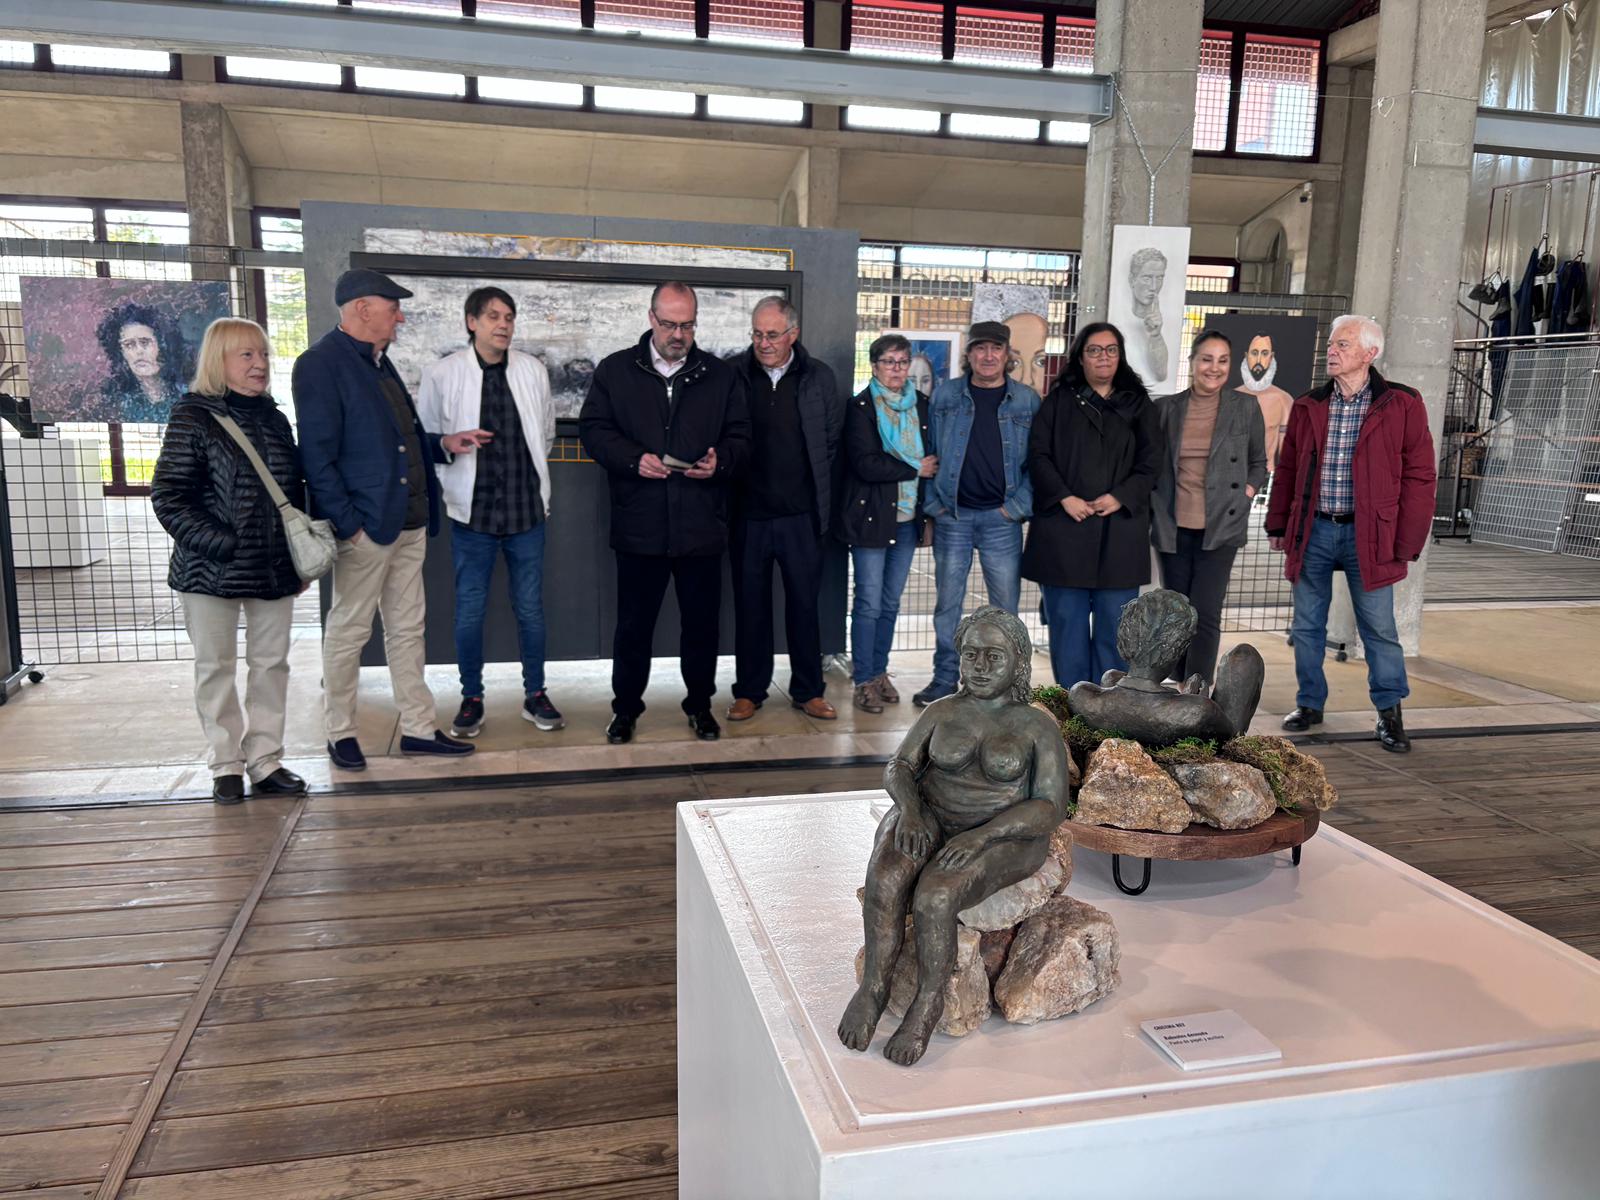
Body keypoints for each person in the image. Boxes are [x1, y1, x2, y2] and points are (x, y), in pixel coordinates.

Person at [838, 606, 1070, 1067]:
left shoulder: (1037, 726)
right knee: (885, 880)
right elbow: (899, 766)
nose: (980, 666)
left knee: (935, 897)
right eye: (970, 654)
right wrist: (911, 810)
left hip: (1003, 836)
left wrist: (982, 837)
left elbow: (1049, 807)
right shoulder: (942, 710)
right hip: (927, 815)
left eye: (994, 657)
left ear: (1019, 662)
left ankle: (927, 1002)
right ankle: (874, 987)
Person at [296, 268, 488, 771]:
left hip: (409, 522)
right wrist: (349, 525)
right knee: (349, 632)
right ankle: (340, 732)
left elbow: (395, 441)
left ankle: (419, 730)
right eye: (392, 307)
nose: (400, 317)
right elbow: (317, 458)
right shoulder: (320, 365)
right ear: (363, 309)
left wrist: (442, 444)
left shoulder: (380, 362)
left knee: (407, 630)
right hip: (367, 529)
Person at [578, 281, 751, 744]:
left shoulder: (720, 375)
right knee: (633, 628)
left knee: (702, 627)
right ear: (651, 318)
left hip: (701, 523)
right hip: (640, 523)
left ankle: (700, 706)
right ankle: (625, 710)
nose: (679, 334)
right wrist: (632, 459)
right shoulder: (616, 370)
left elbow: (742, 436)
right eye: (671, 324)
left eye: (688, 325)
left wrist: (721, 462)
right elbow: (593, 430)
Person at [151, 318, 307, 803]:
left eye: (263, 354)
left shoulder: (275, 419)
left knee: (271, 666)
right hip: (208, 570)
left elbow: (293, 492)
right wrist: (222, 544)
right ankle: (225, 765)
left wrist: (295, 558)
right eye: (247, 355)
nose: (260, 364)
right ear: (219, 360)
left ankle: (265, 761)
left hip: (272, 568)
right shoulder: (193, 417)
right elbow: (169, 496)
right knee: (215, 667)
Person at [1266, 314, 1437, 753]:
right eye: (1332, 344)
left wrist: (1408, 540)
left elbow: (1420, 475)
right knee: (1307, 625)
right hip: (1315, 530)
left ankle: (1389, 714)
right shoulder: (1309, 404)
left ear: (1369, 353)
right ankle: (1309, 704)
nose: (1332, 351)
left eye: (1343, 344)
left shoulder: (1402, 403)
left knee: (1378, 628)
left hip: (1371, 535)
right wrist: (1278, 522)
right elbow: (1288, 468)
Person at [417, 286, 562, 739]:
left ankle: (535, 694)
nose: (504, 325)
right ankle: (471, 698)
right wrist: (449, 450)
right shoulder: (443, 373)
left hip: (526, 511)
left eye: (509, 317)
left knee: (531, 609)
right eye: (494, 316)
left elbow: (547, 433)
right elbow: (427, 438)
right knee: (469, 611)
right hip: (472, 515)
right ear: (472, 322)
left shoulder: (532, 370)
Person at [1021, 322, 1160, 690]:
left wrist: (1121, 496)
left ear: (1120, 356)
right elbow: (1038, 455)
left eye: (1111, 350)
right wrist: (1064, 497)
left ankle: (1109, 704)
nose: (1103, 357)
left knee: (1116, 630)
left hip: (1119, 535)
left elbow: (1151, 463)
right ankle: (1073, 702)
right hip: (1064, 533)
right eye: (1094, 350)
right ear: (1080, 358)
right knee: (1066, 626)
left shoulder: (1138, 404)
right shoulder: (1058, 402)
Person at [726, 296, 844, 723]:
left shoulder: (818, 377)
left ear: (793, 334)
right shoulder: (734, 374)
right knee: (750, 609)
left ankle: (808, 691)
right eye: (757, 334)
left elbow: (830, 441)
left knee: (804, 608)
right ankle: (749, 691)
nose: (764, 343)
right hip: (748, 515)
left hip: (801, 517)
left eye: (772, 335)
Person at [913, 321, 1041, 707]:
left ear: (1007, 354)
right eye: (980, 348)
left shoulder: (1026, 400)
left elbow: (1039, 462)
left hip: (1001, 520)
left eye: (995, 348)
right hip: (953, 516)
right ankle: (943, 679)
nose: (988, 356)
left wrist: (1016, 509)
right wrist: (934, 506)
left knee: (1006, 610)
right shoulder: (946, 395)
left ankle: (1010, 686)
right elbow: (928, 449)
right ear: (969, 354)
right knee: (947, 605)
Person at [1151, 330, 1268, 684]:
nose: (1214, 368)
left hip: (1222, 524)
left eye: (1222, 360)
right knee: (1176, 610)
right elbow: (1152, 464)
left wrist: (1246, 493)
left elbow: (1259, 462)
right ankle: (1176, 681)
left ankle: (1197, 688)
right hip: (1173, 525)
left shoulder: (1245, 407)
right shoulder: (1166, 409)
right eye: (1206, 359)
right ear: (1192, 362)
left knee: (1206, 609)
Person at [836, 333, 936, 714]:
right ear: (874, 366)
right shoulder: (861, 407)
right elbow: (865, 463)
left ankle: (879, 672)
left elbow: (934, 460)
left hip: (908, 520)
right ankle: (863, 679)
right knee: (868, 603)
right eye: (889, 362)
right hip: (871, 519)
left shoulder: (922, 405)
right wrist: (913, 468)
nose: (896, 369)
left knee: (891, 603)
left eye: (902, 361)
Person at [96, 301, 190, 423]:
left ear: (163, 346)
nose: (139, 351)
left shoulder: (187, 397)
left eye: (145, 342)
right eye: (129, 345)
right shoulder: (114, 402)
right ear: (121, 353)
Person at [1238, 331, 1295, 471]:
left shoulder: (1283, 400)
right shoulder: (1230, 398)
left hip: (1266, 475)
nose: (1258, 360)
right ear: (1246, 355)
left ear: (1271, 357)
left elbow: (1286, 453)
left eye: (1264, 353)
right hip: (1232, 476)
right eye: (1254, 353)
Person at [1126, 247, 1170, 384]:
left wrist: (1156, 335)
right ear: (1132, 280)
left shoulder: (1165, 321)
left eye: (1159, 278)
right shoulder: (1117, 317)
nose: (1153, 286)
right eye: (1147, 278)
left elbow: (1161, 375)